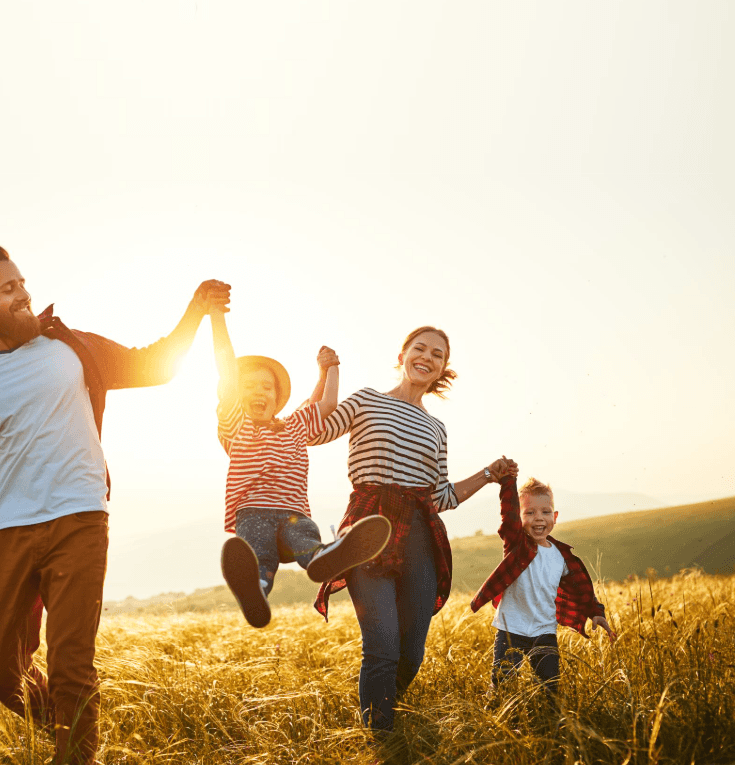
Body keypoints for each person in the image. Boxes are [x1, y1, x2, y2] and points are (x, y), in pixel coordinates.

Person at [0, 244, 229, 765]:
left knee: (70, 662)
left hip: (80, 520)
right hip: (8, 531)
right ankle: (69, 728)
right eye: (7, 288)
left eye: (23, 283)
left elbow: (155, 365)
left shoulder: (70, 348)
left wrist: (195, 308)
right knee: (0, 674)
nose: (24, 294)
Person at [310, 326, 518, 733]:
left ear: (443, 368)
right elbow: (317, 430)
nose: (427, 357)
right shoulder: (367, 400)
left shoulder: (437, 428)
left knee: (410, 654)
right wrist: (327, 373)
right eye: (419, 348)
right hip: (369, 530)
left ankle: (383, 711)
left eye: (437, 354)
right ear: (403, 354)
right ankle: (381, 743)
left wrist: (489, 474)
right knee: (382, 647)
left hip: (421, 536)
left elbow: (441, 496)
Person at [210, 308, 390, 628]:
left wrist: (331, 368)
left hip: (294, 514)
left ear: (278, 397)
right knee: (259, 559)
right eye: (248, 386)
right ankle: (257, 595)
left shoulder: (295, 425)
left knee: (306, 541)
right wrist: (216, 319)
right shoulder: (237, 425)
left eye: (266, 387)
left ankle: (325, 559)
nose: (258, 391)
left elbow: (326, 404)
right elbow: (225, 367)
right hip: (253, 514)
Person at [470, 475, 616, 701]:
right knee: (503, 684)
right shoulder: (516, 544)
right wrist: (508, 479)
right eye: (529, 512)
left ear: (555, 517)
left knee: (550, 689)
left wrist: (596, 612)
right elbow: (507, 511)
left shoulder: (561, 556)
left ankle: (548, 724)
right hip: (511, 629)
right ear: (519, 518)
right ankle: (493, 715)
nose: (539, 518)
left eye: (545, 512)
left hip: (545, 631)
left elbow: (581, 588)